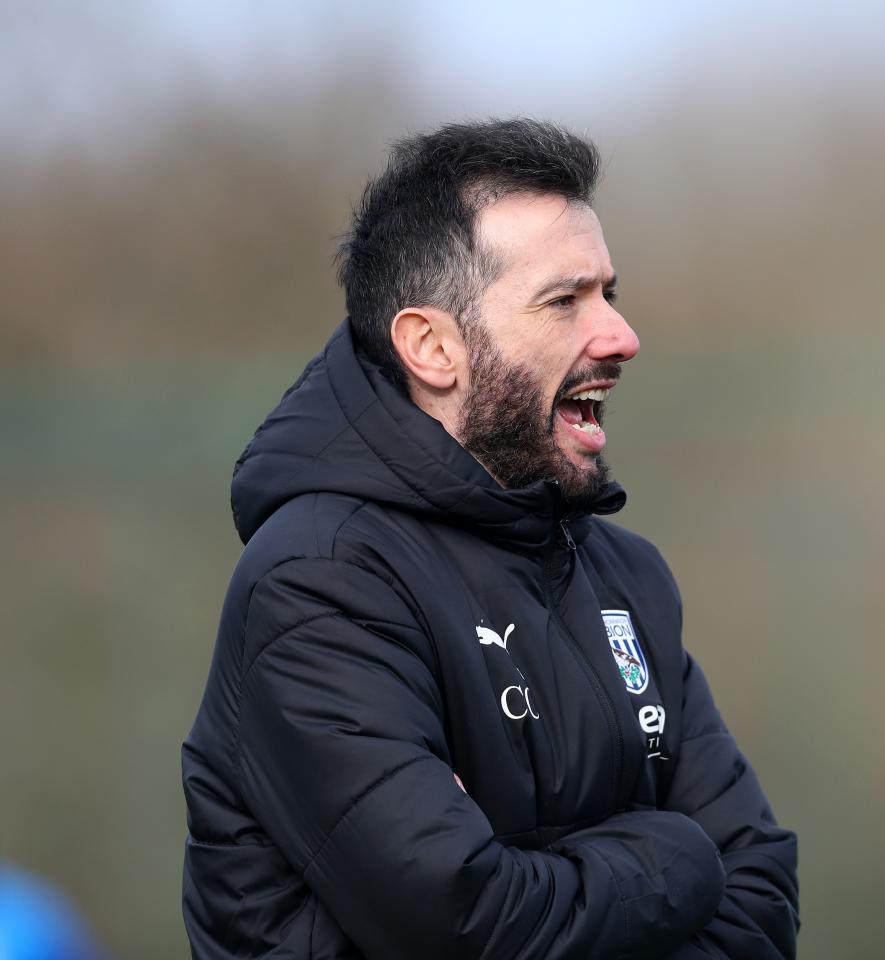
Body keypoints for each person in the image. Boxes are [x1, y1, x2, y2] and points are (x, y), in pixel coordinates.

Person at [181, 118, 798, 959]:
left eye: (609, 293)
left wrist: (546, 877)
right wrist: (672, 856)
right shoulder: (317, 583)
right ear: (433, 346)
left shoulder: (627, 578)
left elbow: (759, 896)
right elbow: (463, 922)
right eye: (564, 301)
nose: (619, 335)